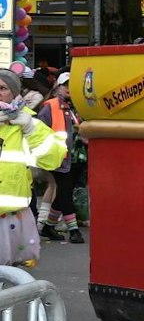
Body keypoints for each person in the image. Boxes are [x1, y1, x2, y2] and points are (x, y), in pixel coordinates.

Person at [0, 70, 63, 267]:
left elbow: (54, 158)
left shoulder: (28, 123)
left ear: (15, 92)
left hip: (9, 217)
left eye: (2, 88)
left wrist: (30, 129)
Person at [35, 74, 80, 243]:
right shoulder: (51, 106)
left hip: (75, 157)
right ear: (57, 87)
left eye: (71, 85)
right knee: (65, 192)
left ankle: (48, 226)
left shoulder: (75, 106)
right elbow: (39, 130)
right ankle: (74, 229)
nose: (68, 89)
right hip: (58, 157)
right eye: (65, 85)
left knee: (62, 194)